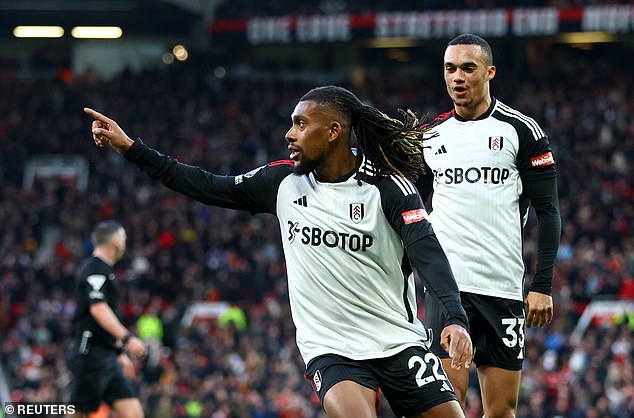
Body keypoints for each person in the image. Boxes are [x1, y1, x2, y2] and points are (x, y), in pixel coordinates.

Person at [84, 85, 473, 418]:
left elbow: (429, 254)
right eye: (291, 123)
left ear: (335, 132)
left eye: (301, 125)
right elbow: (203, 184)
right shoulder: (283, 182)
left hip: (397, 341)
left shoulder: (387, 188)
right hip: (332, 349)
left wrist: (454, 317)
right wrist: (132, 149)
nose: (290, 134)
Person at [417, 34, 561, 418]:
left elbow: (549, 211)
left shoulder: (522, 131)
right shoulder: (430, 136)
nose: (457, 77)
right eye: (450, 68)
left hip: (502, 287)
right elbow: (411, 212)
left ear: (490, 72)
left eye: (468, 68)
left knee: (502, 411)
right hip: (448, 289)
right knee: (446, 406)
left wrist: (542, 285)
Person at [68, 220, 147, 418]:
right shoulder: (95, 269)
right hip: (91, 355)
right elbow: (98, 309)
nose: (125, 244)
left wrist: (119, 353)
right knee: (79, 413)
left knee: (133, 413)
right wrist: (128, 339)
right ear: (115, 241)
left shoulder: (104, 271)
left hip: (107, 355)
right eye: (124, 239)